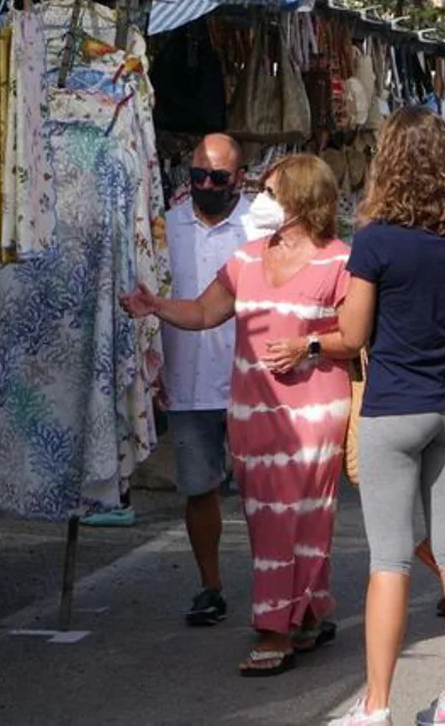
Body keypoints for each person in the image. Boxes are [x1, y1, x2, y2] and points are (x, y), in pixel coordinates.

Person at [121, 154, 355, 676]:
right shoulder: (245, 260)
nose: (261, 202)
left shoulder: (340, 261)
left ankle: (276, 629)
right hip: (252, 411)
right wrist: (156, 306)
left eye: (272, 193)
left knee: (300, 515)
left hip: (315, 407)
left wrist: (307, 345)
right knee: (268, 516)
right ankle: (311, 611)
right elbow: (205, 312)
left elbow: (358, 336)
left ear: (302, 201)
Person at [332, 107, 445, 726]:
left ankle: (375, 706)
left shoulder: (374, 241)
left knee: (390, 560)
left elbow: (352, 331)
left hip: (394, 408)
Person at [152, 133, 262, 625]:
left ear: (239, 177)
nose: (206, 184)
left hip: (253, 379)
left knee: (264, 490)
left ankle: (274, 582)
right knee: (199, 490)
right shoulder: (166, 228)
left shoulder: (263, 223)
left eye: (218, 177)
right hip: (189, 378)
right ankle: (210, 585)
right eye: (198, 175)